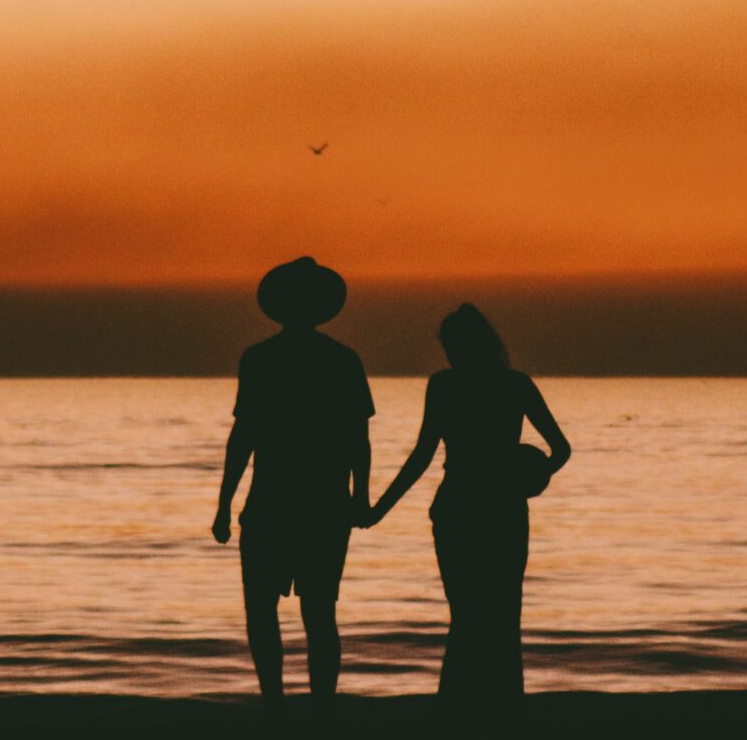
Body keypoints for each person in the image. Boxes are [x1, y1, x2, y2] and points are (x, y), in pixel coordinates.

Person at [365, 304, 570, 704]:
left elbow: (423, 456)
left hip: (460, 507)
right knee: (500, 612)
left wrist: (379, 509)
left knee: (468, 614)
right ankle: (501, 702)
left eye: (452, 346)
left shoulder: (444, 386)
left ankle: (460, 702)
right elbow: (560, 450)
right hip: (501, 510)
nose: (449, 355)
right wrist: (532, 476)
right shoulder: (516, 385)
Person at [212, 257, 374, 708]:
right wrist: (359, 498)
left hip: (276, 505)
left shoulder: (262, 359)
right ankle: (315, 705)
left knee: (267, 613)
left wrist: (224, 505)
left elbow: (243, 438)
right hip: (318, 506)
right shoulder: (341, 360)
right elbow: (356, 441)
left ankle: (276, 705)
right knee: (318, 613)